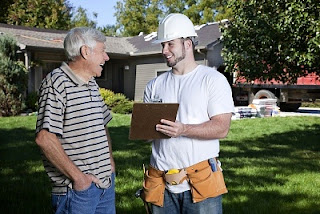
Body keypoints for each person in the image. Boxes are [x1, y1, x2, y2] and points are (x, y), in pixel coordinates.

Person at [143, 13, 234, 214]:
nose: (164, 50)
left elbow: (221, 128)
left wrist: (183, 129)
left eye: (170, 44)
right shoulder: (154, 85)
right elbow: (147, 134)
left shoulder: (212, 80)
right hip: (161, 183)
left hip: (201, 182)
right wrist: (144, 131)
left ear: (187, 44)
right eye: (162, 45)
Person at [35, 27, 115, 214]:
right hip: (78, 192)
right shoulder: (56, 83)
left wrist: (109, 162)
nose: (106, 57)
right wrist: (79, 179)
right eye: (102, 51)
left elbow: (102, 125)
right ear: (85, 52)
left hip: (106, 184)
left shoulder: (92, 83)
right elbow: (44, 138)